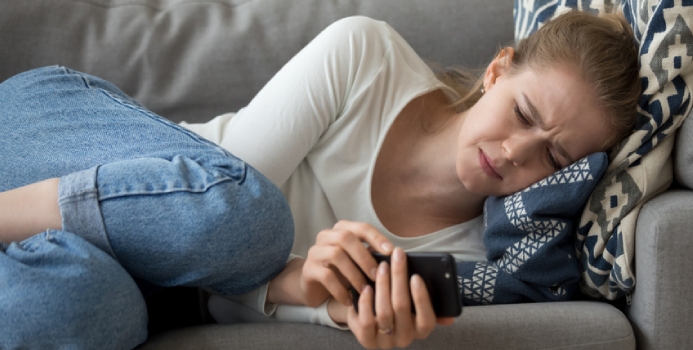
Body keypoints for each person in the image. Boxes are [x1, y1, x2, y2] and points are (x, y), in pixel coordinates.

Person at [0, 9, 638, 350]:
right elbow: (217, 209)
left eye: (555, 160)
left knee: (69, 315)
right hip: (64, 143)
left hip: (133, 284)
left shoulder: (469, 260)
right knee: (255, 216)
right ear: (498, 71)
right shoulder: (368, 58)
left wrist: (337, 311)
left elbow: (215, 295)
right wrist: (295, 280)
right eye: (525, 114)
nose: (517, 151)